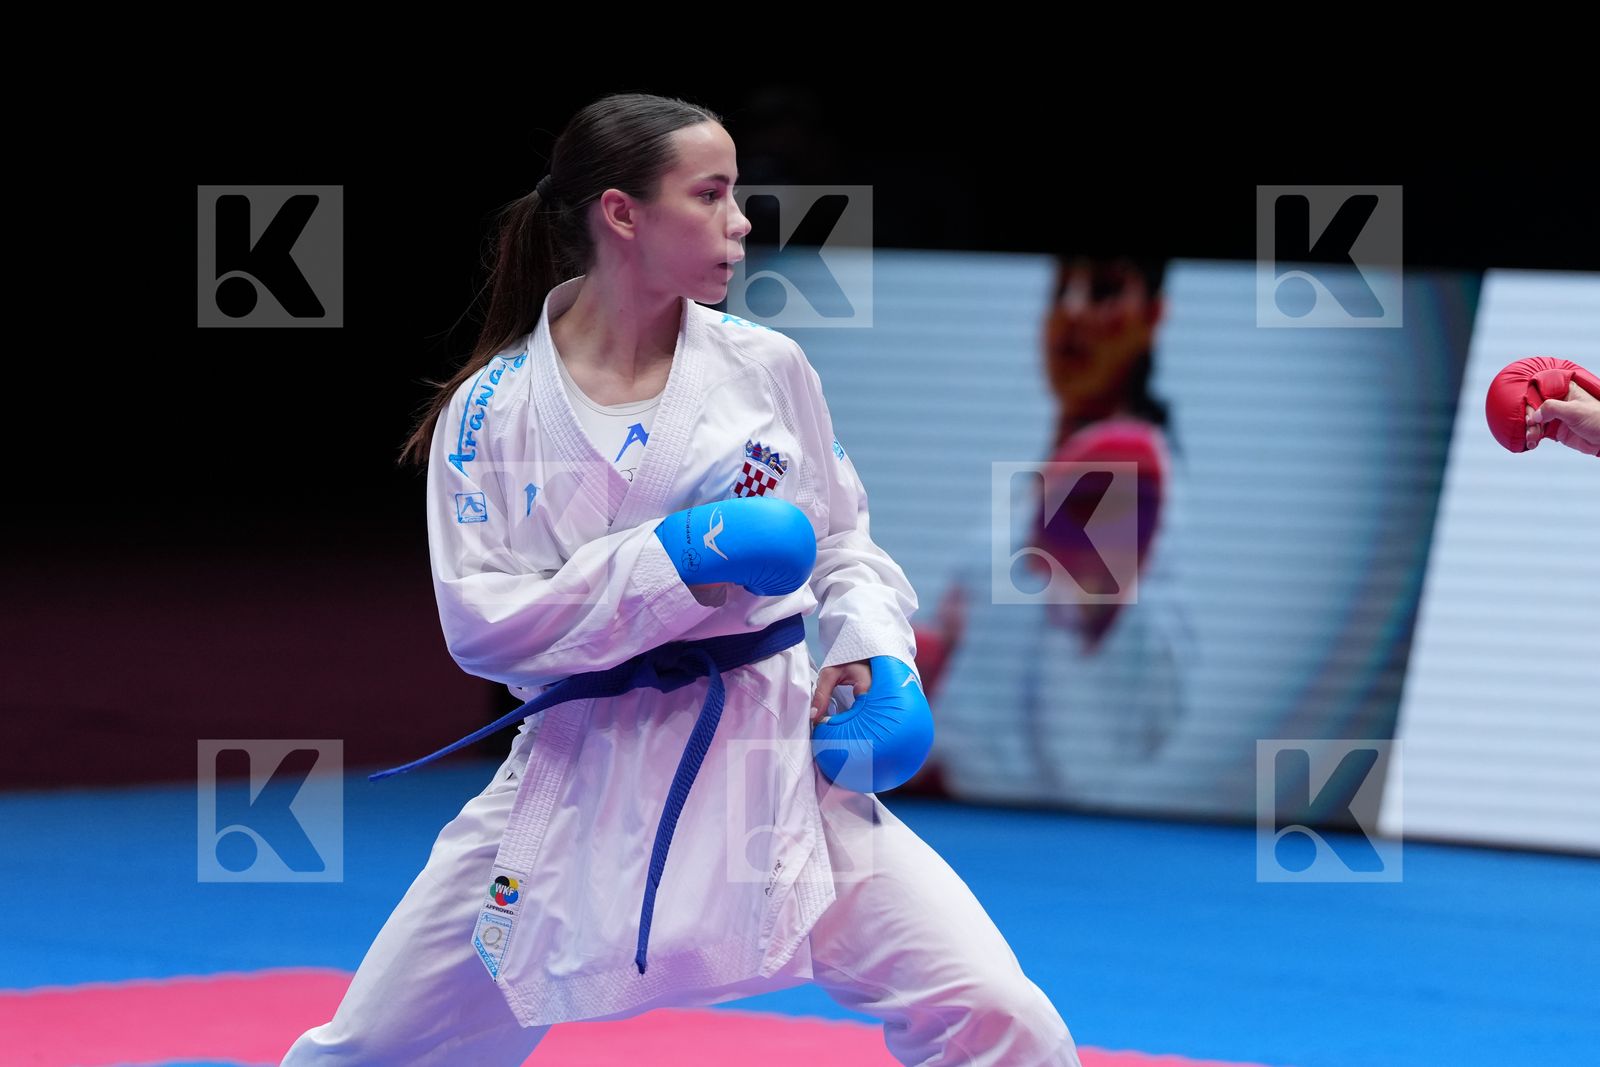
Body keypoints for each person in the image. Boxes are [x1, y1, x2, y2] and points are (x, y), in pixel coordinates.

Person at [280, 92, 1080, 1066]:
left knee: (1000, 1013)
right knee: (367, 1052)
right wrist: (674, 559)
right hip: (582, 779)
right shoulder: (493, 410)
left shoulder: (765, 366)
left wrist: (873, 642)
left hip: (772, 767)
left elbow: (842, 538)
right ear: (622, 214)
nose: (741, 221)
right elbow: (483, 625)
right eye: (710, 194)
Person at [905, 255, 1194, 805]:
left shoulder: (1129, 473)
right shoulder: (1027, 493)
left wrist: (1095, 614)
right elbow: (972, 640)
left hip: (1027, 815)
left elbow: (1131, 710)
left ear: (1152, 317)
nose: (1074, 313)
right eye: (1061, 292)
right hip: (943, 797)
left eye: (1105, 290)